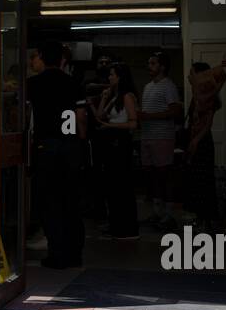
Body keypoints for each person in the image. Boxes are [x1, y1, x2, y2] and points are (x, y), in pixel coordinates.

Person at [26, 40, 87, 268]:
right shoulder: (73, 83)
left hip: (46, 147)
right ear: (62, 60)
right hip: (70, 146)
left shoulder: (33, 84)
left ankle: (57, 253)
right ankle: (75, 253)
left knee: (50, 202)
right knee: (71, 200)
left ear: (42, 56)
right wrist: (79, 142)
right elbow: (81, 117)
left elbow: (23, 116)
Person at [90, 62, 140, 237]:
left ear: (120, 77)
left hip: (121, 142)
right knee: (113, 186)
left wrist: (111, 126)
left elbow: (133, 122)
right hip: (111, 142)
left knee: (121, 185)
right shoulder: (114, 96)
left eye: (112, 75)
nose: (109, 78)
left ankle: (127, 227)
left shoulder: (126, 96)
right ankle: (117, 223)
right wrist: (103, 97)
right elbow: (100, 116)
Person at [138, 50, 183, 230]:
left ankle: (169, 213)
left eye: (153, 63)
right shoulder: (148, 86)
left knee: (164, 174)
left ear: (162, 66)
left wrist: (149, 117)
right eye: (149, 63)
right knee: (152, 175)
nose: (149, 66)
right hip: (147, 136)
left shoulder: (168, 86)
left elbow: (174, 111)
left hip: (162, 136)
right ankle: (157, 212)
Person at [185, 59, 226, 230]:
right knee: (197, 180)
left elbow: (207, 123)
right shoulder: (198, 95)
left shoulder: (206, 97)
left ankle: (206, 220)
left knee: (203, 180)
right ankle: (201, 217)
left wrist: (195, 141)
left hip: (202, 141)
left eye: (192, 73)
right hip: (198, 140)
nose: (190, 76)